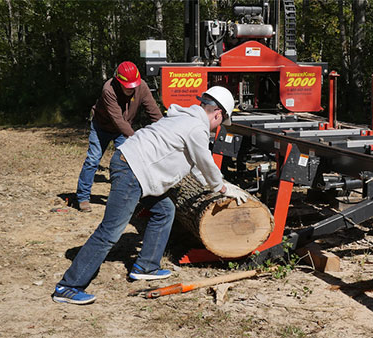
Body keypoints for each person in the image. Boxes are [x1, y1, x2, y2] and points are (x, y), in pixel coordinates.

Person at [52, 86, 249, 305]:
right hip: (133, 172)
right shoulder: (197, 127)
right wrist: (222, 188)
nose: (217, 127)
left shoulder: (184, 118)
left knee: (165, 210)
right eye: (220, 122)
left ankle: (146, 266)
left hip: (134, 168)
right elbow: (204, 161)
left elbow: (195, 166)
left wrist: (217, 185)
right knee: (110, 232)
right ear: (218, 114)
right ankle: (68, 286)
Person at [77, 61, 163, 213]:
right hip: (101, 127)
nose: (130, 90)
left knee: (131, 163)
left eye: (133, 86)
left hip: (123, 129)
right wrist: (136, 138)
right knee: (93, 159)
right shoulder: (108, 89)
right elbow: (117, 120)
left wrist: (166, 129)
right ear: (118, 81)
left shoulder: (141, 86)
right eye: (127, 86)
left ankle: (128, 198)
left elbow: (153, 111)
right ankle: (83, 197)